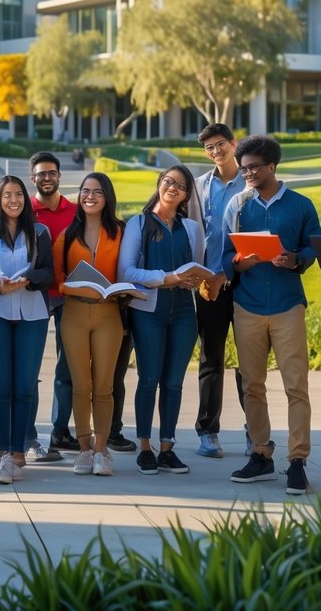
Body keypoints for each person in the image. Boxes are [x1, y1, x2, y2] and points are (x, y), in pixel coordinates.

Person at [223, 135, 321, 496]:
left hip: (287, 305)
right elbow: (223, 253)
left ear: (271, 167)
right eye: (243, 167)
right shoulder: (238, 204)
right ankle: (261, 454)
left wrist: (295, 258)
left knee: (296, 385)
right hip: (246, 305)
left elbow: (315, 246)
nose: (247, 173)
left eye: (253, 168)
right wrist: (238, 262)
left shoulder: (300, 205)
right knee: (252, 385)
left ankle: (297, 461)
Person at [118, 165, 206, 475]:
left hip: (184, 312)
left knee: (174, 383)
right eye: (168, 181)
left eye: (180, 186)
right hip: (148, 313)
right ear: (159, 183)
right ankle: (145, 447)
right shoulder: (138, 223)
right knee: (149, 379)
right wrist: (166, 278)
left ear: (186, 195)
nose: (173, 188)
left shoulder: (192, 228)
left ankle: (167, 448)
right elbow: (126, 272)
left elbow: (197, 265)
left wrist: (193, 279)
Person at [0, 176, 55, 484]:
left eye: (19, 194)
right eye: (7, 195)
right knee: (1, 388)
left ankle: (20, 450)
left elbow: (49, 273)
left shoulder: (40, 232)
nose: (14, 200)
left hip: (32, 315)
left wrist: (28, 279)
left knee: (24, 387)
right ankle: (5, 454)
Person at [52, 172, 126, 476]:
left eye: (96, 191)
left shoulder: (121, 231)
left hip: (109, 313)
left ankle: (101, 450)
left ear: (107, 196)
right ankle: (83, 448)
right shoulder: (67, 235)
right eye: (85, 191)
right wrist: (76, 287)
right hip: (75, 314)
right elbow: (57, 279)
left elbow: (130, 268)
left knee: (105, 386)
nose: (90, 196)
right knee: (81, 385)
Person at [189, 124, 248, 459]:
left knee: (248, 362)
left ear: (233, 143)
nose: (216, 151)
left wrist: (227, 271)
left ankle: (254, 429)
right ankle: (208, 431)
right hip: (208, 285)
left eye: (221, 144)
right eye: (209, 147)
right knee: (211, 358)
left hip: (243, 282)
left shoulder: (249, 183)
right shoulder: (200, 187)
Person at [26, 152, 77, 462]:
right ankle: (27, 433)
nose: (47, 178)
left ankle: (60, 429)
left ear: (59, 176)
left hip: (68, 294)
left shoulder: (75, 210)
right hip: (35, 295)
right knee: (29, 367)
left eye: (52, 173)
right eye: (41, 173)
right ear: (33, 178)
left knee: (67, 365)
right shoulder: (23, 209)